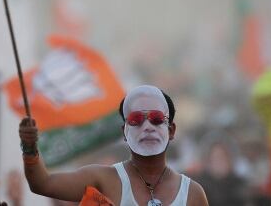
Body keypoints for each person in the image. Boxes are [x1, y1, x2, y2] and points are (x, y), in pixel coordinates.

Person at [18, 85, 208, 205]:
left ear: (172, 130)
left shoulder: (192, 194)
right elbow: (43, 184)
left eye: (157, 119)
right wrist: (29, 147)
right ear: (124, 132)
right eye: (136, 120)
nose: (148, 127)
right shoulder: (104, 180)